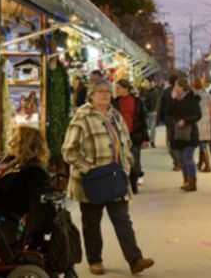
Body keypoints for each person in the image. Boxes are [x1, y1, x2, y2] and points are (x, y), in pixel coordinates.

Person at [62, 79, 154, 275]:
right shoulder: (81, 117)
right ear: (91, 96)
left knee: (122, 219)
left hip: (114, 178)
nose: (105, 94)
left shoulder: (115, 116)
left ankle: (135, 260)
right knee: (92, 223)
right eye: (100, 91)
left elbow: (125, 141)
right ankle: (95, 260)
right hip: (92, 181)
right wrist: (87, 168)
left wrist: (127, 162)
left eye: (107, 91)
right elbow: (68, 151)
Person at [112, 79, 149, 194]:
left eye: (118, 88)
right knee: (122, 161)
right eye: (116, 88)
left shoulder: (137, 101)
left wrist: (145, 138)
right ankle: (126, 184)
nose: (116, 90)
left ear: (126, 88)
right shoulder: (114, 103)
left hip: (134, 135)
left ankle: (135, 180)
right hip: (119, 136)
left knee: (134, 161)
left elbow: (142, 120)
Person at [166, 77, 201, 191]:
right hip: (178, 133)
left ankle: (192, 182)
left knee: (188, 157)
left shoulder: (192, 98)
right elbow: (169, 113)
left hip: (190, 133)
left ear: (182, 87)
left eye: (177, 86)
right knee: (181, 159)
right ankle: (186, 180)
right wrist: (172, 100)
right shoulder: (175, 99)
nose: (175, 88)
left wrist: (185, 120)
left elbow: (198, 115)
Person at [158, 73, 180, 171]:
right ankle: (179, 162)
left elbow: (161, 107)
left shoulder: (165, 92)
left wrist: (162, 118)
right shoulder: (181, 91)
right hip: (180, 120)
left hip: (169, 120)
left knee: (171, 142)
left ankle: (177, 162)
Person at [193, 78, 211, 172]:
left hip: (198, 120)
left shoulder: (194, 95)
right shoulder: (207, 94)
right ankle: (200, 163)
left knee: (202, 143)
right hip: (207, 120)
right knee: (204, 142)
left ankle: (207, 165)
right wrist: (210, 116)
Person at [145, 80, 161, 148]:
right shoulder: (143, 91)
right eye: (145, 82)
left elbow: (157, 101)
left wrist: (156, 110)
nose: (145, 84)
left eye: (146, 82)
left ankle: (152, 141)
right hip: (145, 112)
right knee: (146, 127)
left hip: (152, 111)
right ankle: (146, 141)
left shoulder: (155, 91)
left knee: (153, 127)